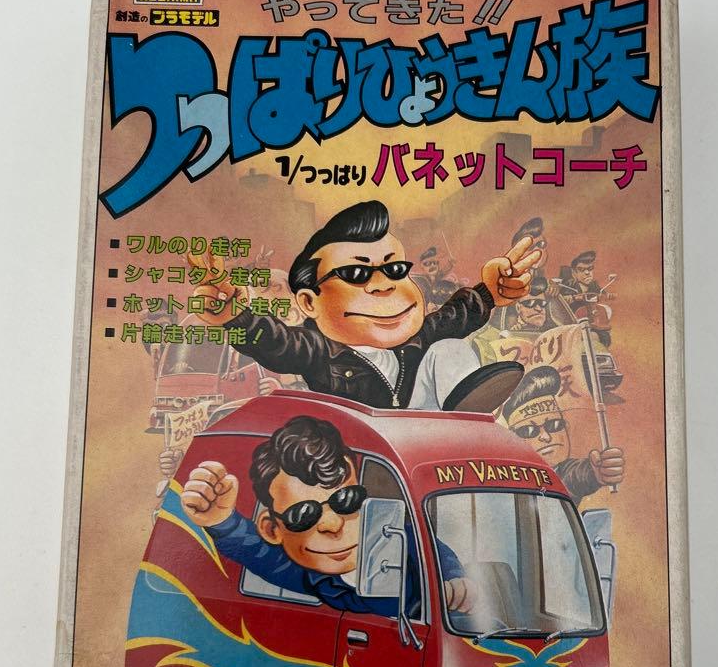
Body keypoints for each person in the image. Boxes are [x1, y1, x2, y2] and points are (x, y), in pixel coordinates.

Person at [191, 201, 538, 411]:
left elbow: (452, 318)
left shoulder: (416, 337)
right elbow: (277, 343)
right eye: (356, 274)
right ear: (309, 301)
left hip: (425, 427)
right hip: (365, 447)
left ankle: (465, 417)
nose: (383, 284)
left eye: (394, 269)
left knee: (448, 347)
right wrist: (235, 317)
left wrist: (488, 292)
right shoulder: (318, 349)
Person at [180, 415, 475, 617]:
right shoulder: (312, 576)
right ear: (272, 530)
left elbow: (434, 550)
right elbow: (258, 553)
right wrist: (222, 521)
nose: (333, 525)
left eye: (346, 500)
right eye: (304, 514)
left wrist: (453, 578)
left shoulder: (391, 532)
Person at [500, 366, 624, 504]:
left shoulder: (564, 473)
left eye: (554, 425)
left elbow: (574, 477)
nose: (546, 437)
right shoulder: (504, 477)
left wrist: (595, 473)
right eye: (528, 431)